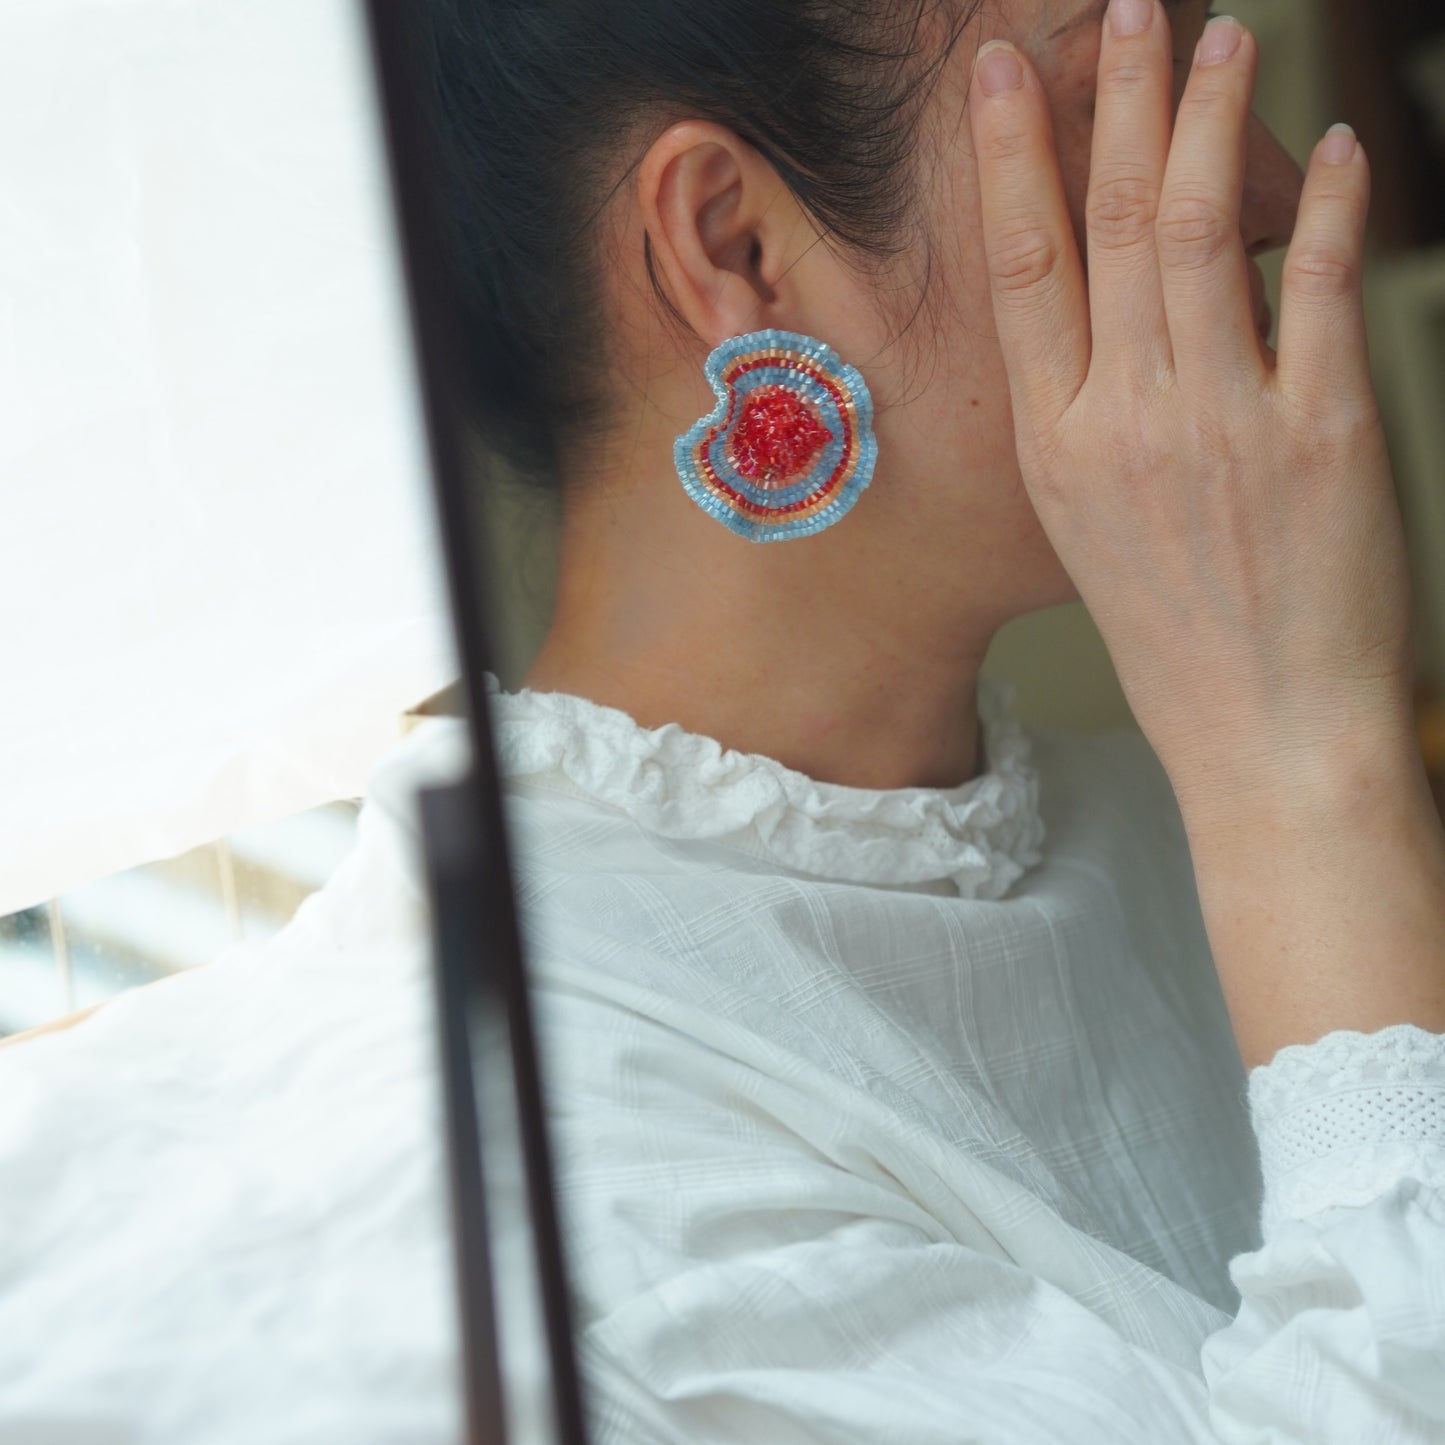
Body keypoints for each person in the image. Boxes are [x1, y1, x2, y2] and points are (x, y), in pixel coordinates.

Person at [0, 1, 1442, 1440]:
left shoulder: (1164, 814)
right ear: (734, 246)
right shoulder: (570, 1199)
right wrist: (1300, 758)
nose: (1261, 185)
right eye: (1117, 98)